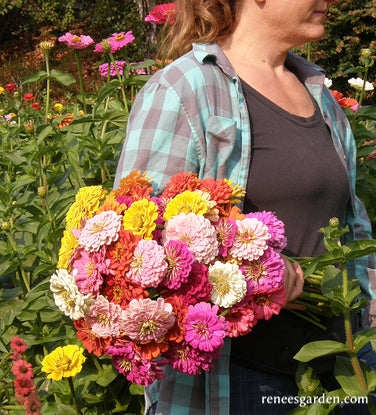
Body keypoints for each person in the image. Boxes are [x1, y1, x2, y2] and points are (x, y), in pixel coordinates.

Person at [114, 0, 376, 413]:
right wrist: (255, 279)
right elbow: (137, 249)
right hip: (240, 382)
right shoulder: (184, 90)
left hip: (344, 366)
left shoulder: (318, 94)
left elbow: (352, 224)